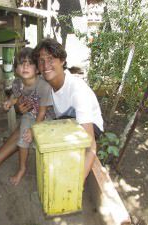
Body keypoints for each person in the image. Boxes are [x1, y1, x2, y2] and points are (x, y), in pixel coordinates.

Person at [0, 47, 53, 185]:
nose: (25, 66)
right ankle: (22, 169)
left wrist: (34, 129)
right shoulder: (17, 83)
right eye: (21, 63)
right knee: (23, 136)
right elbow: (16, 96)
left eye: (30, 63)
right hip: (30, 115)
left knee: (29, 131)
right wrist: (9, 102)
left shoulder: (43, 86)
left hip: (46, 117)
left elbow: (42, 112)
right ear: (16, 69)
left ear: (37, 70)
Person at [31, 38, 104, 180]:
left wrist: (77, 185)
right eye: (41, 60)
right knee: (33, 125)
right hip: (67, 122)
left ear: (62, 60)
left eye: (51, 59)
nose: (45, 65)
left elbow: (90, 145)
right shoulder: (47, 85)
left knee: (53, 143)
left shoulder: (76, 90)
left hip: (90, 128)